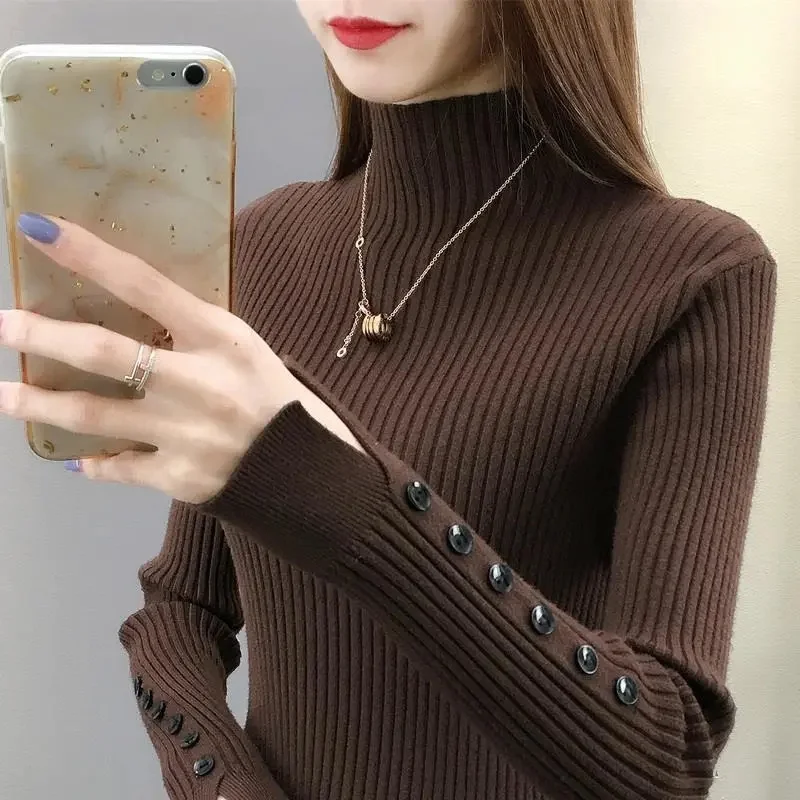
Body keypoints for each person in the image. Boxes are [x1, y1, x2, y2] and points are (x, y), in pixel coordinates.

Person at [0, 1, 777, 798]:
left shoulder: (695, 273)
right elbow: (179, 608)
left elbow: (665, 756)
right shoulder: (263, 246)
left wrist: (312, 476)